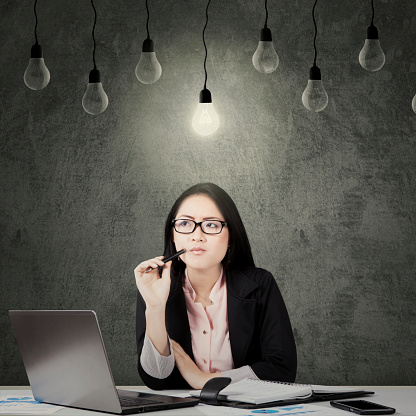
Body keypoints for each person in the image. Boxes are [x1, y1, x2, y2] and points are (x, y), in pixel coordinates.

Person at [135, 183, 296, 390]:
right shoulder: (154, 285)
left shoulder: (259, 285)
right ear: (173, 235)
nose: (197, 236)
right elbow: (156, 380)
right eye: (185, 223)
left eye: (211, 225)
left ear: (231, 237)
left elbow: (282, 370)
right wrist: (155, 308)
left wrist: (204, 380)